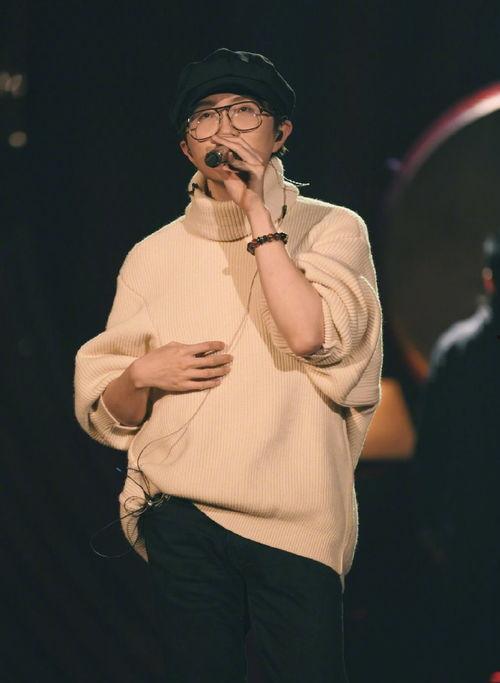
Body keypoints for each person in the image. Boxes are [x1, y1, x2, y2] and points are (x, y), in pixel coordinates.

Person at [74, 48, 383, 683]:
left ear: (280, 133)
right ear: (187, 147)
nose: (224, 130)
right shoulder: (153, 254)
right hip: (182, 512)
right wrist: (140, 375)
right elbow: (108, 414)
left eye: (244, 112)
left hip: (297, 518)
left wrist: (258, 216)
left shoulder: (333, 229)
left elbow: (311, 336)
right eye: (204, 117)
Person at [412, 231, 500, 683]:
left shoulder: (457, 350)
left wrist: (432, 530)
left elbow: (431, 454)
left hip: (469, 534)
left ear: (489, 279)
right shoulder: (458, 350)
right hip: (470, 536)